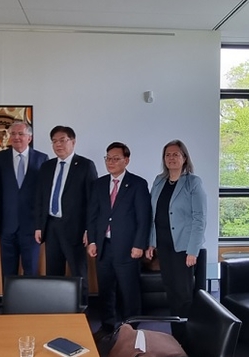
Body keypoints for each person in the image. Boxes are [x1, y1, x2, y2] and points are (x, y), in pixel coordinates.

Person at [87, 142, 151, 342]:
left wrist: (139, 244)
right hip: (103, 246)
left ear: (126, 160)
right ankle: (107, 326)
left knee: (129, 290)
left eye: (116, 158)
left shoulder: (137, 184)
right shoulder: (99, 184)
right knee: (106, 290)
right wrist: (92, 241)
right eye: (108, 158)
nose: (110, 162)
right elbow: (92, 215)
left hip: (128, 248)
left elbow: (144, 218)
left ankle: (131, 329)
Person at [145, 139, 207, 343]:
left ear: (184, 158)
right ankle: (176, 335)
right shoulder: (159, 181)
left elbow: (199, 218)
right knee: (171, 291)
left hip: (183, 247)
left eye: (176, 154)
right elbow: (152, 215)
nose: (171, 158)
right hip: (163, 245)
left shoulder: (193, 182)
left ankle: (188, 337)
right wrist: (151, 243)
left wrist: (193, 250)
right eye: (168, 155)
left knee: (184, 293)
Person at [35, 125, 97, 303]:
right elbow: (40, 198)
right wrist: (39, 226)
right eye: (54, 141)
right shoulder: (47, 166)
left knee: (78, 273)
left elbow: (92, 201)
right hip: (51, 226)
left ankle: (81, 310)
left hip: (76, 229)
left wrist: (89, 229)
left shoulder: (85, 165)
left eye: (62, 140)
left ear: (73, 142)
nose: (58, 144)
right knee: (53, 273)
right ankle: (56, 309)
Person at [0, 121, 48, 278]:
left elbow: (44, 194)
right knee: (7, 273)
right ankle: (9, 296)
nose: (16, 137)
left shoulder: (42, 158)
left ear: (29, 138)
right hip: (7, 226)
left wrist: (40, 225)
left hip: (31, 227)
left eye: (20, 134)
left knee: (31, 271)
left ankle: (30, 296)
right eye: (13, 134)